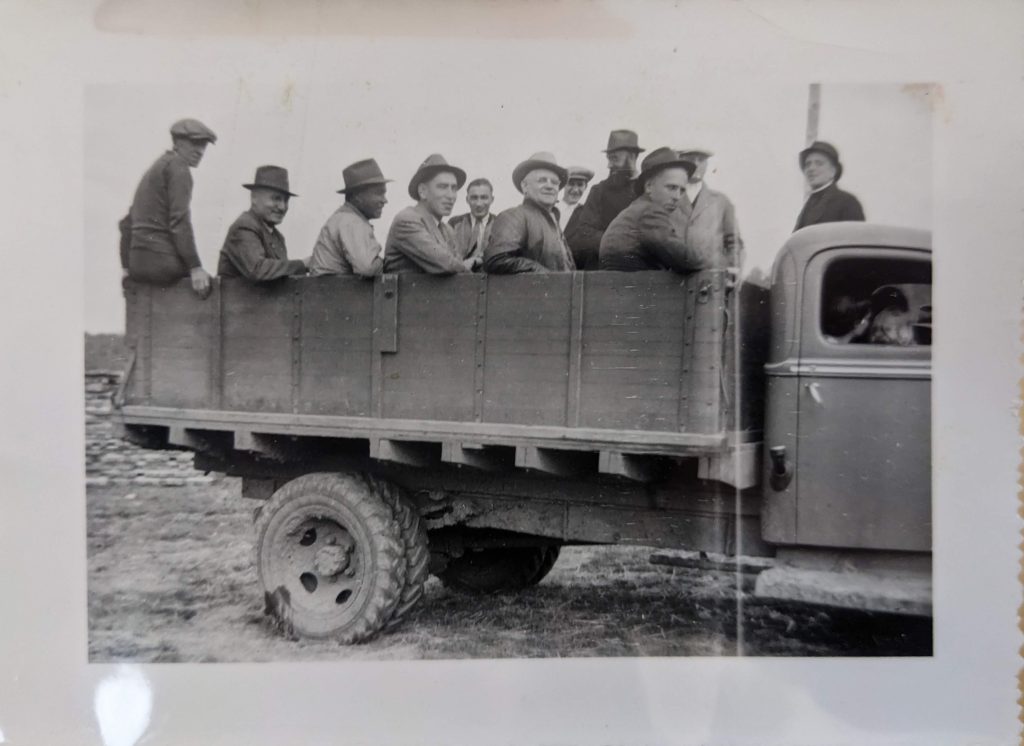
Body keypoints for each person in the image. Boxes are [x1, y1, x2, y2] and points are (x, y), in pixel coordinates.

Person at [121, 118, 217, 297]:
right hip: (163, 264)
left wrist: (126, 267)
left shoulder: (156, 168)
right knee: (210, 286)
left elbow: (126, 224)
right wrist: (195, 267)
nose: (200, 151)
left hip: (137, 265)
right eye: (195, 143)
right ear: (178, 142)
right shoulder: (179, 168)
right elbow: (179, 222)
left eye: (204, 145)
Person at [599, 147, 709, 273]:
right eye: (671, 187)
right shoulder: (650, 212)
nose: (677, 197)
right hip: (636, 288)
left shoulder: (637, 209)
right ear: (649, 186)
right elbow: (683, 258)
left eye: (682, 190)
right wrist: (711, 262)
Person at [483, 152, 575, 274]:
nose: (549, 186)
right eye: (542, 180)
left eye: (554, 182)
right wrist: (544, 275)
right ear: (525, 186)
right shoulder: (514, 216)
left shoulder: (554, 221)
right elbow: (496, 259)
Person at [564, 129, 644, 270]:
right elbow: (585, 232)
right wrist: (623, 242)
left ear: (632, 156)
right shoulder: (599, 191)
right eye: (608, 158)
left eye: (614, 158)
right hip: (604, 272)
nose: (609, 165)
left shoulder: (647, 189)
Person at [383, 154, 472, 274]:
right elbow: (445, 264)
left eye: (454, 188)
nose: (451, 196)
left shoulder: (447, 229)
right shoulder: (407, 220)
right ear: (423, 191)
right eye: (442, 187)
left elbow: (457, 266)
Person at [217, 165, 308, 281]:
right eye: (276, 199)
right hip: (235, 299)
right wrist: (303, 265)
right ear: (254, 198)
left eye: (286, 200)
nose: (282, 207)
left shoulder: (278, 237)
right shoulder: (244, 226)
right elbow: (257, 269)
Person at [308, 158, 391, 278]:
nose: (384, 200)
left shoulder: (345, 218)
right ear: (357, 196)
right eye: (378, 193)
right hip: (333, 293)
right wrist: (387, 263)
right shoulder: (351, 221)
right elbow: (367, 268)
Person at [676, 148, 744, 270]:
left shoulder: (721, 202)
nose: (696, 164)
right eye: (691, 159)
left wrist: (731, 269)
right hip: (670, 281)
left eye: (701, 160)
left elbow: (734, 243)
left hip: (708, 281)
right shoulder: (665, 199)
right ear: (679, 162)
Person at [794, 140, 865, 231]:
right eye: (808, 164)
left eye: (819, 163)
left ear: (833, 171)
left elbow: (854, 240)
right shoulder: (808, 206)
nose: (811, 168)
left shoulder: (847, 202)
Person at [448, 178, 495, 271]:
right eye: (474, 198)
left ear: (492, 199)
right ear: (467, 199)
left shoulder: (500, 224)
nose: (479, 203)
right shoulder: (454, 223)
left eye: (484, 197)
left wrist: (478, 260)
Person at [558, 166, 594, 231]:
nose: (575, 190)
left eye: (580, 185)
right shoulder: (552, 208)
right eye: (571, 184)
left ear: (585, 187)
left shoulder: (587, 213)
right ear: (564, 185)